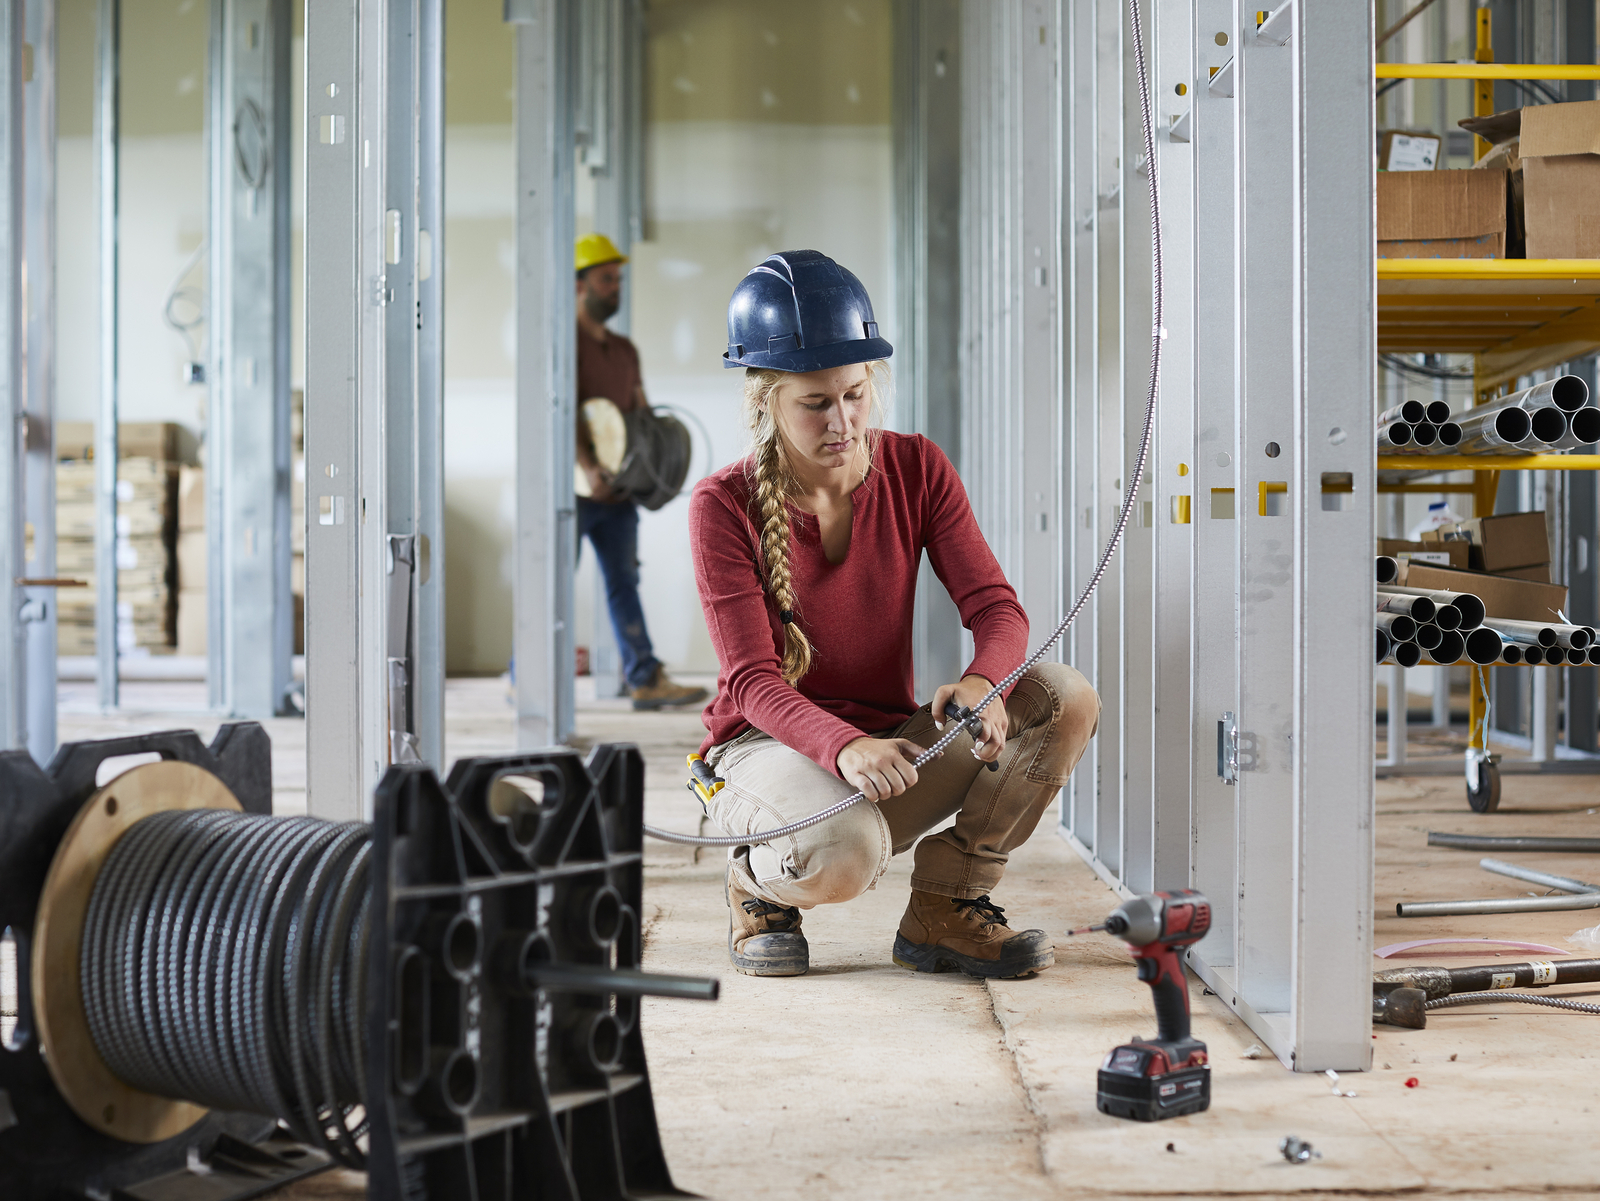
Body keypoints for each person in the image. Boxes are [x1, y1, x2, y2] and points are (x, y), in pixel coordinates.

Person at [689, 250, 1101, 980]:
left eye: (853, 393)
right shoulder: (723, 505)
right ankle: (757, 883)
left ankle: (947, 904)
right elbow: (752, 680)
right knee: (844, 853)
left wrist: (984, 686)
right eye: (814, 403)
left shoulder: (917, 467)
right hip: (764, 751)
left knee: (1062, 697)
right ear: (766, 403)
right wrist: (843, 746)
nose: (842, 420)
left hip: (886, 749)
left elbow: (997, 609)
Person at [574, 233, 707, 711]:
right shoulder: (563, 344)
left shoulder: (624, 350)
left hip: (619, 494)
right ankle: (521, 673)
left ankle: (644, 678)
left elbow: (641, 415)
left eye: (619, 279)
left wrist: (656, 467)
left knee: (624, 583)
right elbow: (562, 412)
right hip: (572, 492)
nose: (615, 287)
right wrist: (588, 466)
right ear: (578, 285)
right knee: (551, 583)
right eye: (606, 279)